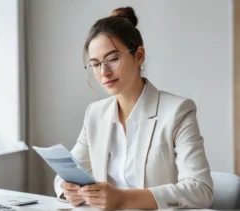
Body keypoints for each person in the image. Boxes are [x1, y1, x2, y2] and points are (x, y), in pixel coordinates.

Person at [54, 6, 213, 210]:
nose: (104, 72)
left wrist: (124, 199)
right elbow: (64, 176)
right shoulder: (95, 114)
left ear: (139, 56)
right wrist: (68, 191)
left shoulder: (178, 111)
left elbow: (201, 190)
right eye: (95, 64)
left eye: (112, 59)